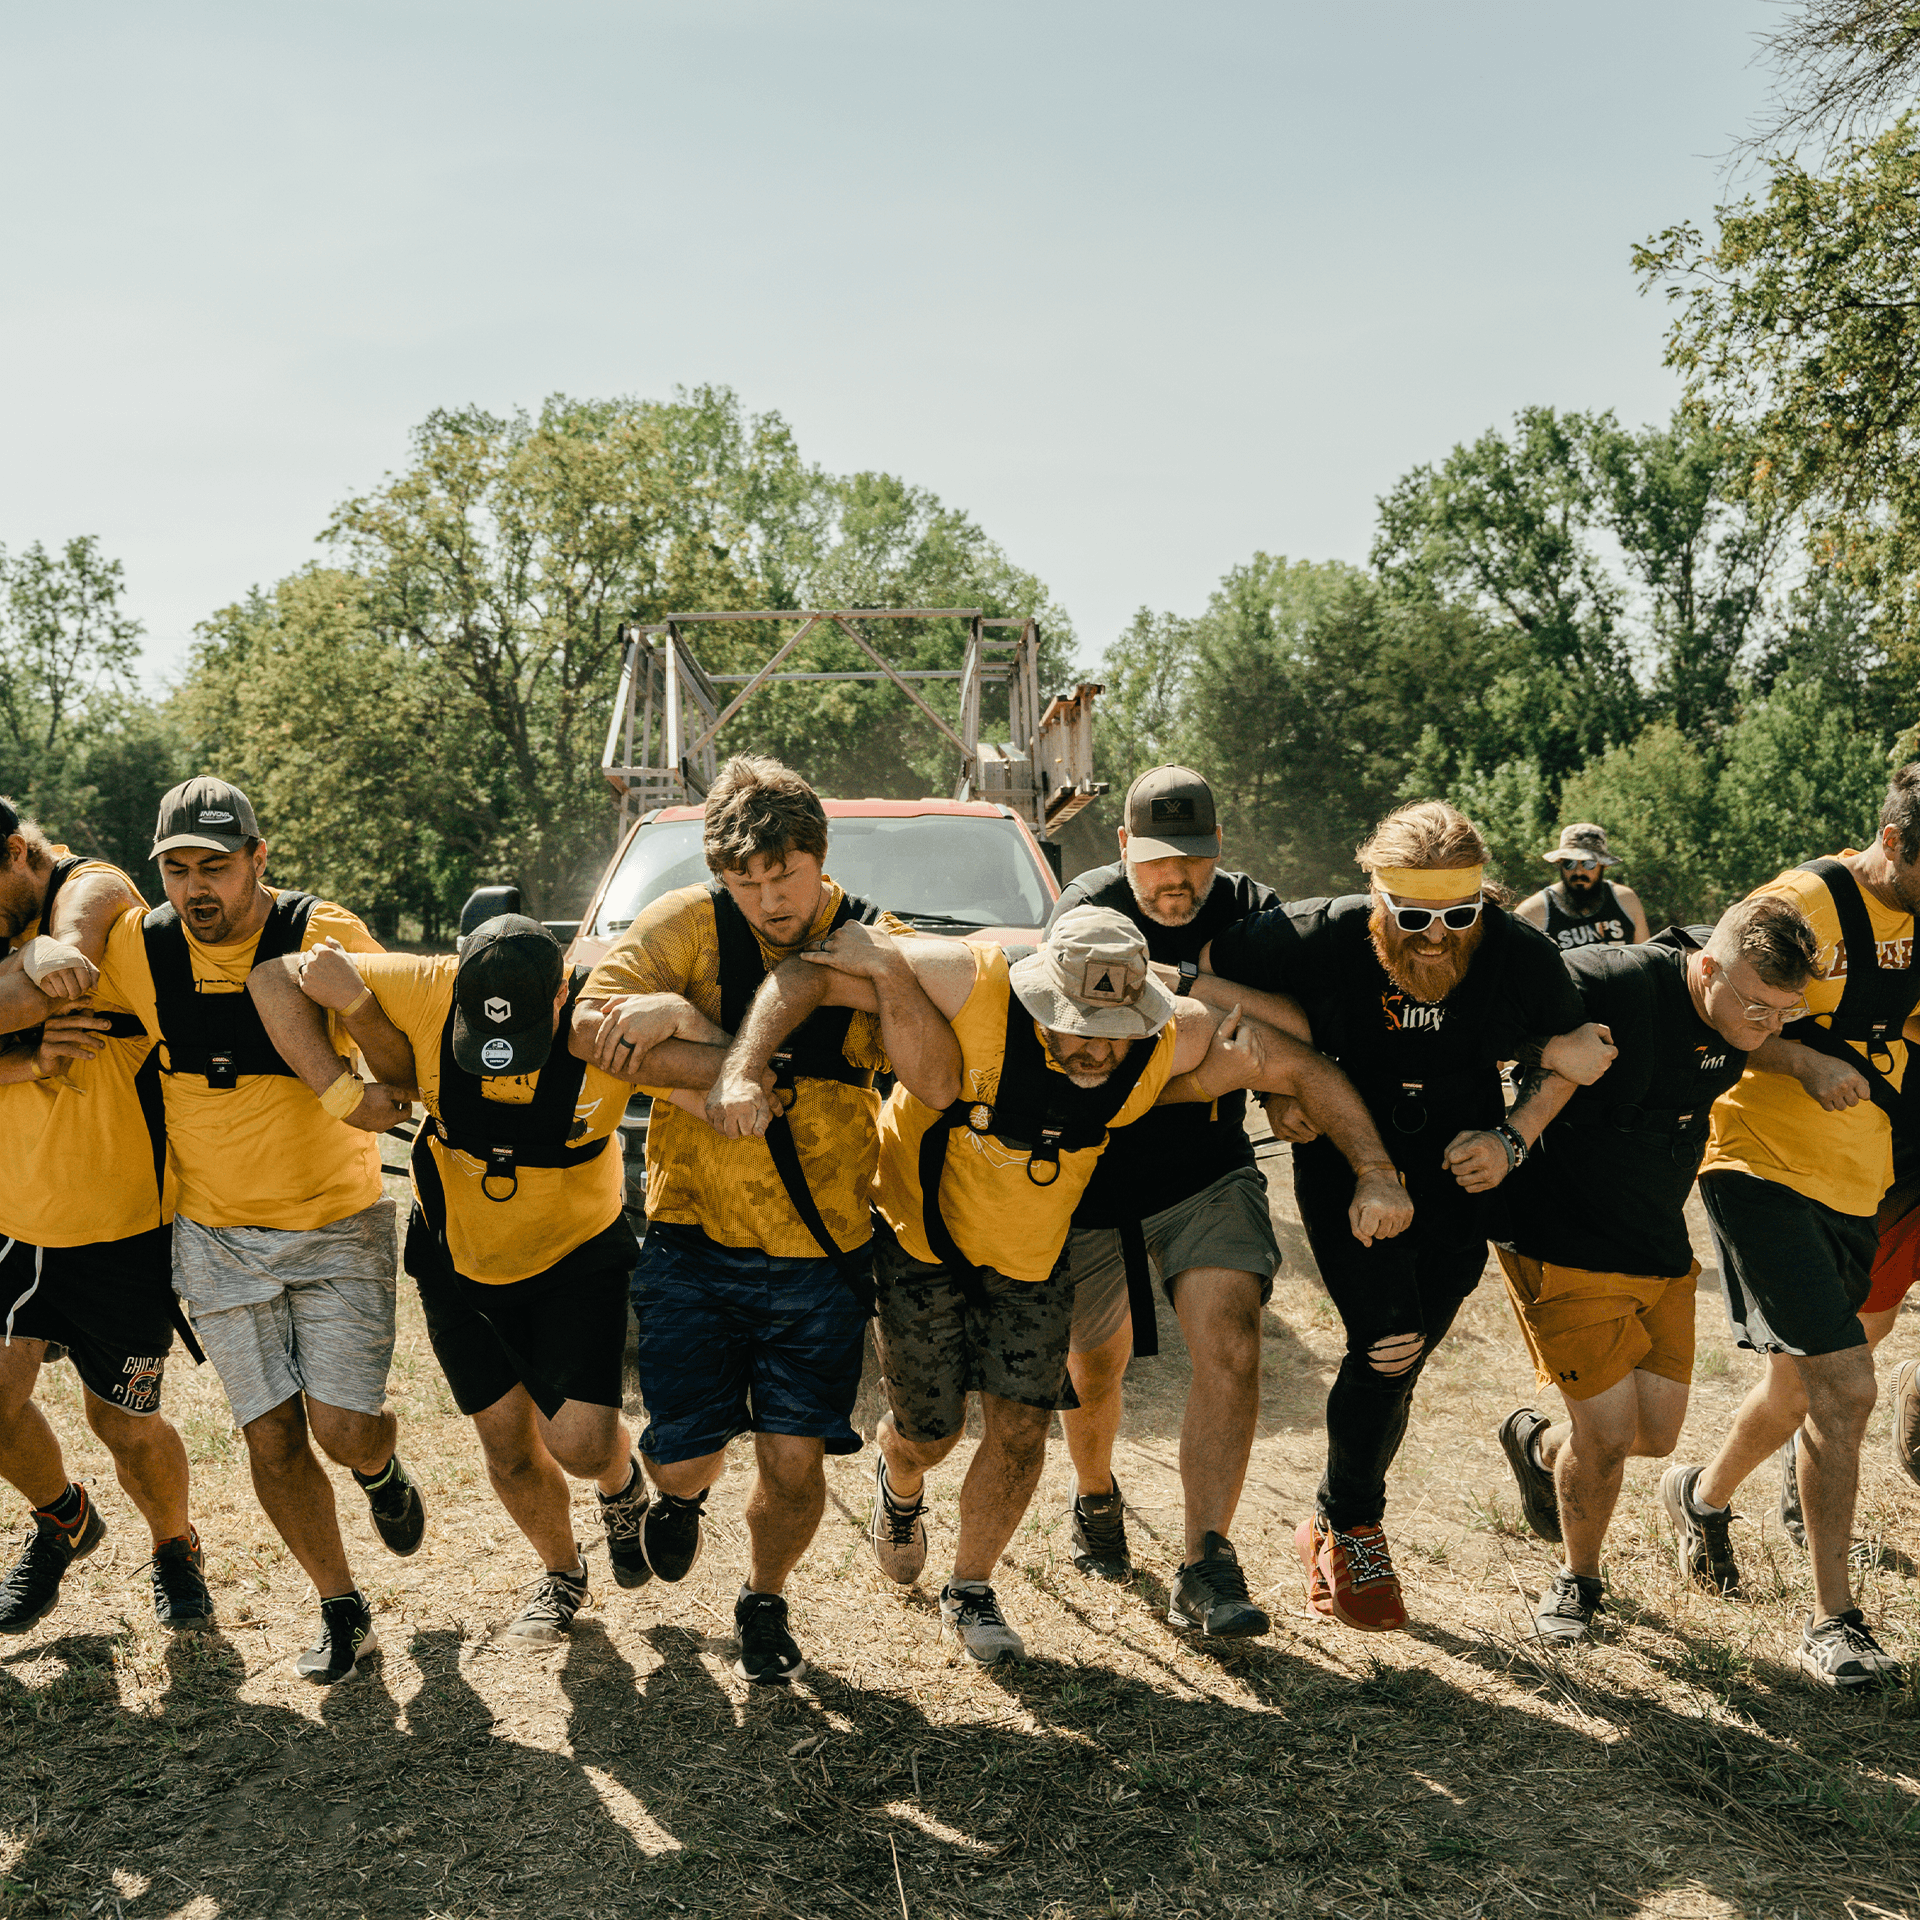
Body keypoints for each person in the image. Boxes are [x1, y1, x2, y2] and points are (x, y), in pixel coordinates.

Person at [720, 902, 1412, 1662]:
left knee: (1019, 1432)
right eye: (1073, 1021)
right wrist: (743, 1069)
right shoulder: (967, 980)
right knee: (932, 1432)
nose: (1093, 1047)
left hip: (1032, 1257)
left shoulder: (1169, 1031)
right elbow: (808, 973)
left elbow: (1301, 1063)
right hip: (922, 1243)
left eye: (1114, 1030)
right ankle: (903, 1476)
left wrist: (1374, 1168)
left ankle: (972, 1588)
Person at [576, 754, 960, 1684]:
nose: (765, 899)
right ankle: (669, 1499)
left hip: (821, 1248)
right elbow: (590, 1026)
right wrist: (715, 1052)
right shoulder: (686, 926)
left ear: (819, 857)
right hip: (691, 1239)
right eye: (743, 882)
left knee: (795, 1462)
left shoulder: (876, 938)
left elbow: (939, 1081)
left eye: (782, 876)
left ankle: (763, 1600)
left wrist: (892, 980)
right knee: (687, 1456)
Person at [1197, 800, 1615, 1635]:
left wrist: (1513, 1136)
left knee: (1405, 1356)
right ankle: (1353, 1525)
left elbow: (1582, 1051)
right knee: (1386, 1341)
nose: (1434, 937)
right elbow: (1198, 978)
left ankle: (1330, 1520)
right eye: (1413, 916)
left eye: (1457, 916)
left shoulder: (1514, 948)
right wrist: (1281, 1083)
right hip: (1348, 1160)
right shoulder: (1318, 930)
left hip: (1463, 1171)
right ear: (1376, 895)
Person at [251, 913, 657, 1649]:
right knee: (505, 1444)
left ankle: (621, 1488)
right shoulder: (429, 984)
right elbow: (273, 976)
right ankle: (561, 1574)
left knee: (581, 1443)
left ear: (562, 992)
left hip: (576, 1254)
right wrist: (342, 1087)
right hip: (458, 1254)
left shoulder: (604, 1013)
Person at [100, 778, 425, 1684]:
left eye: (216, 867)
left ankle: (381, 1468)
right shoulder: (140, 944)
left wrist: (356, 1007)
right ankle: (341, 1609)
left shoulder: (328, 935)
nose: (197, 888)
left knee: (343, 1428)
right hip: (213, 1234)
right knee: (271, 1437)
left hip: (338, 1224)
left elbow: (403, 1069)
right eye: (177, 869)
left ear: (259, 859)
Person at [1491, 896, 1817, 1642]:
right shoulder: (1612, 979)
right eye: (1757, 1011)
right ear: (1707, 968)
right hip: (1558, 1237)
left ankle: (1538, 1444)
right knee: (1606, 1437)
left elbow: (1768, 1024)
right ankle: (1578, 1582)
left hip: (1655, 1240)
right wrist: (1541, 1064)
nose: (1764, 1030)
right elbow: (1483, 1018)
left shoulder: (1741, 1001)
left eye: (1783, 1015)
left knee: (1654, 1435)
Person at [1661, 768, 1920, 1689]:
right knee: (1848, 1388)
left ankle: (1699, 1496)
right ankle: (1832, 1622)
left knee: (1799, 1392)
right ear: (1893, 843)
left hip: (1864, 1186)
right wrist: (1801, 1057)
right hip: (1759, 1169)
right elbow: (1710, 1006)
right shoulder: (1802, 902)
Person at [1044, 765, 1285, 1634]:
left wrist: (1185, 984)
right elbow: (1084, 1044)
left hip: (1205, 1168)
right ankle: (1095, 1492)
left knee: (1233, 1342)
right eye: (1156, 862)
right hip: (1095, 1172)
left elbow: (1294, 1022)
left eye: (1191, 859)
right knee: (1093, 1365)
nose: (1174, 879)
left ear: (1217, 848)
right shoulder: (1086, 908)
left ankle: (1205, 1562)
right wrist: (1211, 1006)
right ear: (1124, 851)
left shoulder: (1256, 909)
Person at [0, 799, 214, 1634]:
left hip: (121, 1227)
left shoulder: (89, 887)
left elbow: (71, 955)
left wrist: (43, 974)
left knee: (122, 1421)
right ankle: (64, 1519)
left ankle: (173, 1546)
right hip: (18, 1221)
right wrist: (23, 1057)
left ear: (19, 853)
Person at [1515, 824, 1650, 951]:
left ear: (1603, 865)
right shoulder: (1533, 913)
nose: (1578, 872)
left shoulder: (1626, 901)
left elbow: (1648, 959)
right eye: (1569, 863)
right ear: (1559, 864)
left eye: (1588, 863)